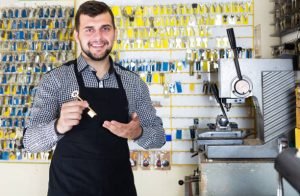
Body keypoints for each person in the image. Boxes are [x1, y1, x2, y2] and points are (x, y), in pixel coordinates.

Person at [23, 1, 165, 195]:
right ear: (76, 35)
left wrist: (138, 132)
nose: (98, 37)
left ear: (114, 32)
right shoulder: (56, 80)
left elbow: (158, 138)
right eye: (89, 29)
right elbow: (30, 142)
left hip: (118, 189)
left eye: (105, 28)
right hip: (68, 189)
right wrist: (58, 126)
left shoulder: (133, 83)